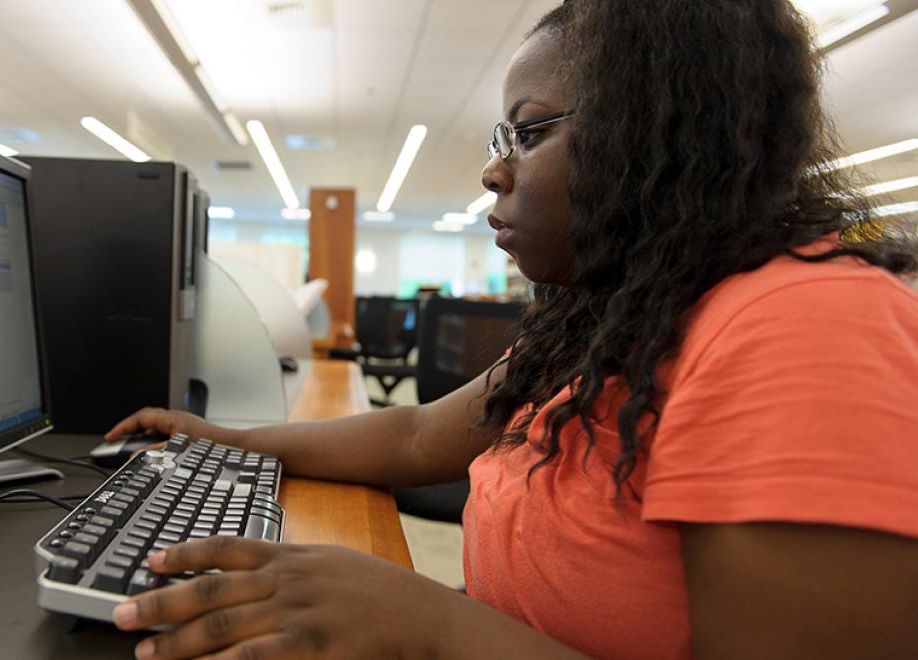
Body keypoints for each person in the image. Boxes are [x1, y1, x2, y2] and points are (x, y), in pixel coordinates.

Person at [103, 1, 918, 658]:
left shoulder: (806, 326)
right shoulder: (612, 318)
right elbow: (421, 434)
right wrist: (229, 442)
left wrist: (431, 623)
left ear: (660, 130)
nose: (495, 170)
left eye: (528, 133)